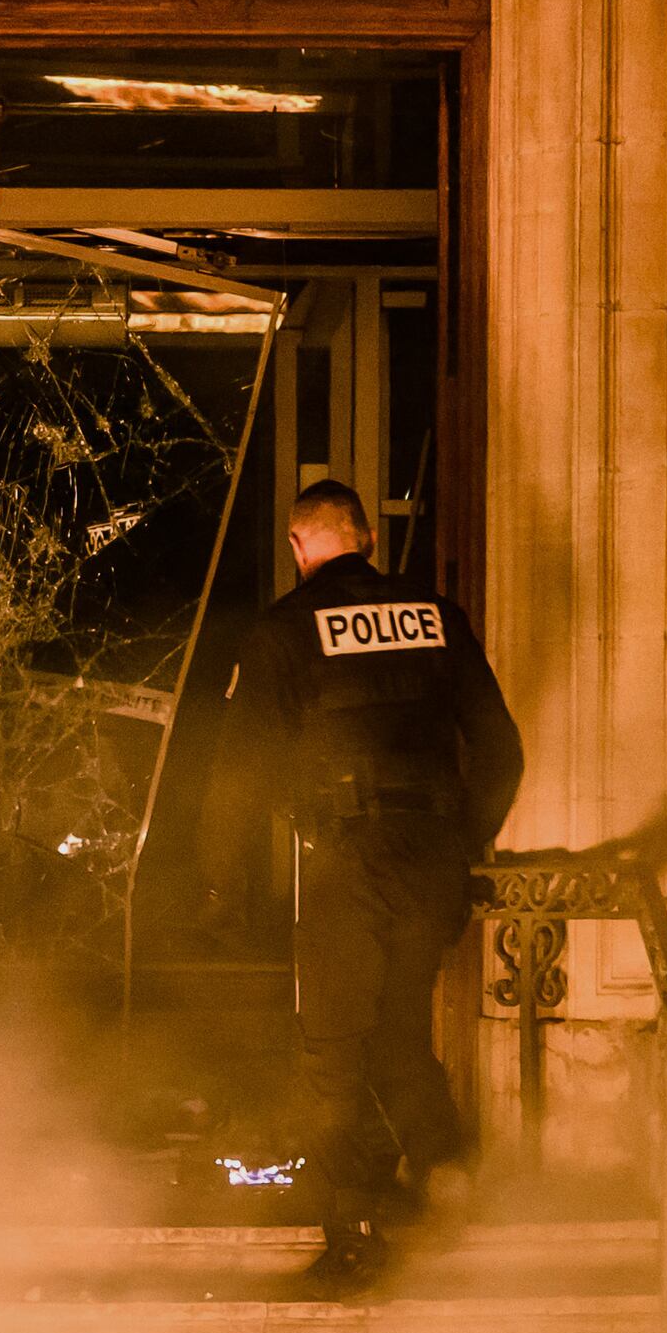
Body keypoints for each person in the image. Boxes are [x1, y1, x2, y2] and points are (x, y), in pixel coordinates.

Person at [194, 479, 527, 1278]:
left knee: (332, 1052)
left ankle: (353, 1233)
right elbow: (501, 749)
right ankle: (452, 1186)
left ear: (300, 547)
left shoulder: (284, 631)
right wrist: (463, 842)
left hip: (349, 861)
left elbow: (239, 773)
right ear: (368, 538)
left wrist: (218, 886)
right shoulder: (435, 616)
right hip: (431, 861)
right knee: (400, 1033)